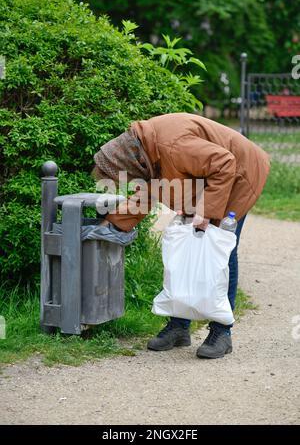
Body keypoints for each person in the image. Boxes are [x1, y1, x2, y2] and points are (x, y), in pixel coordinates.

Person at [92, 112, 270, 359]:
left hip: (239, 173)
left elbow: (225, 163)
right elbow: (148, 192)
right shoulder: (148, 152)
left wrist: (206, 212)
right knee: (187, 251)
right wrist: (108, 226)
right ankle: (179, 327)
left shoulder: (171, 146)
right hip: (210, 180)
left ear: (130, 161)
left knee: (219, 250)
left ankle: (222, 333)